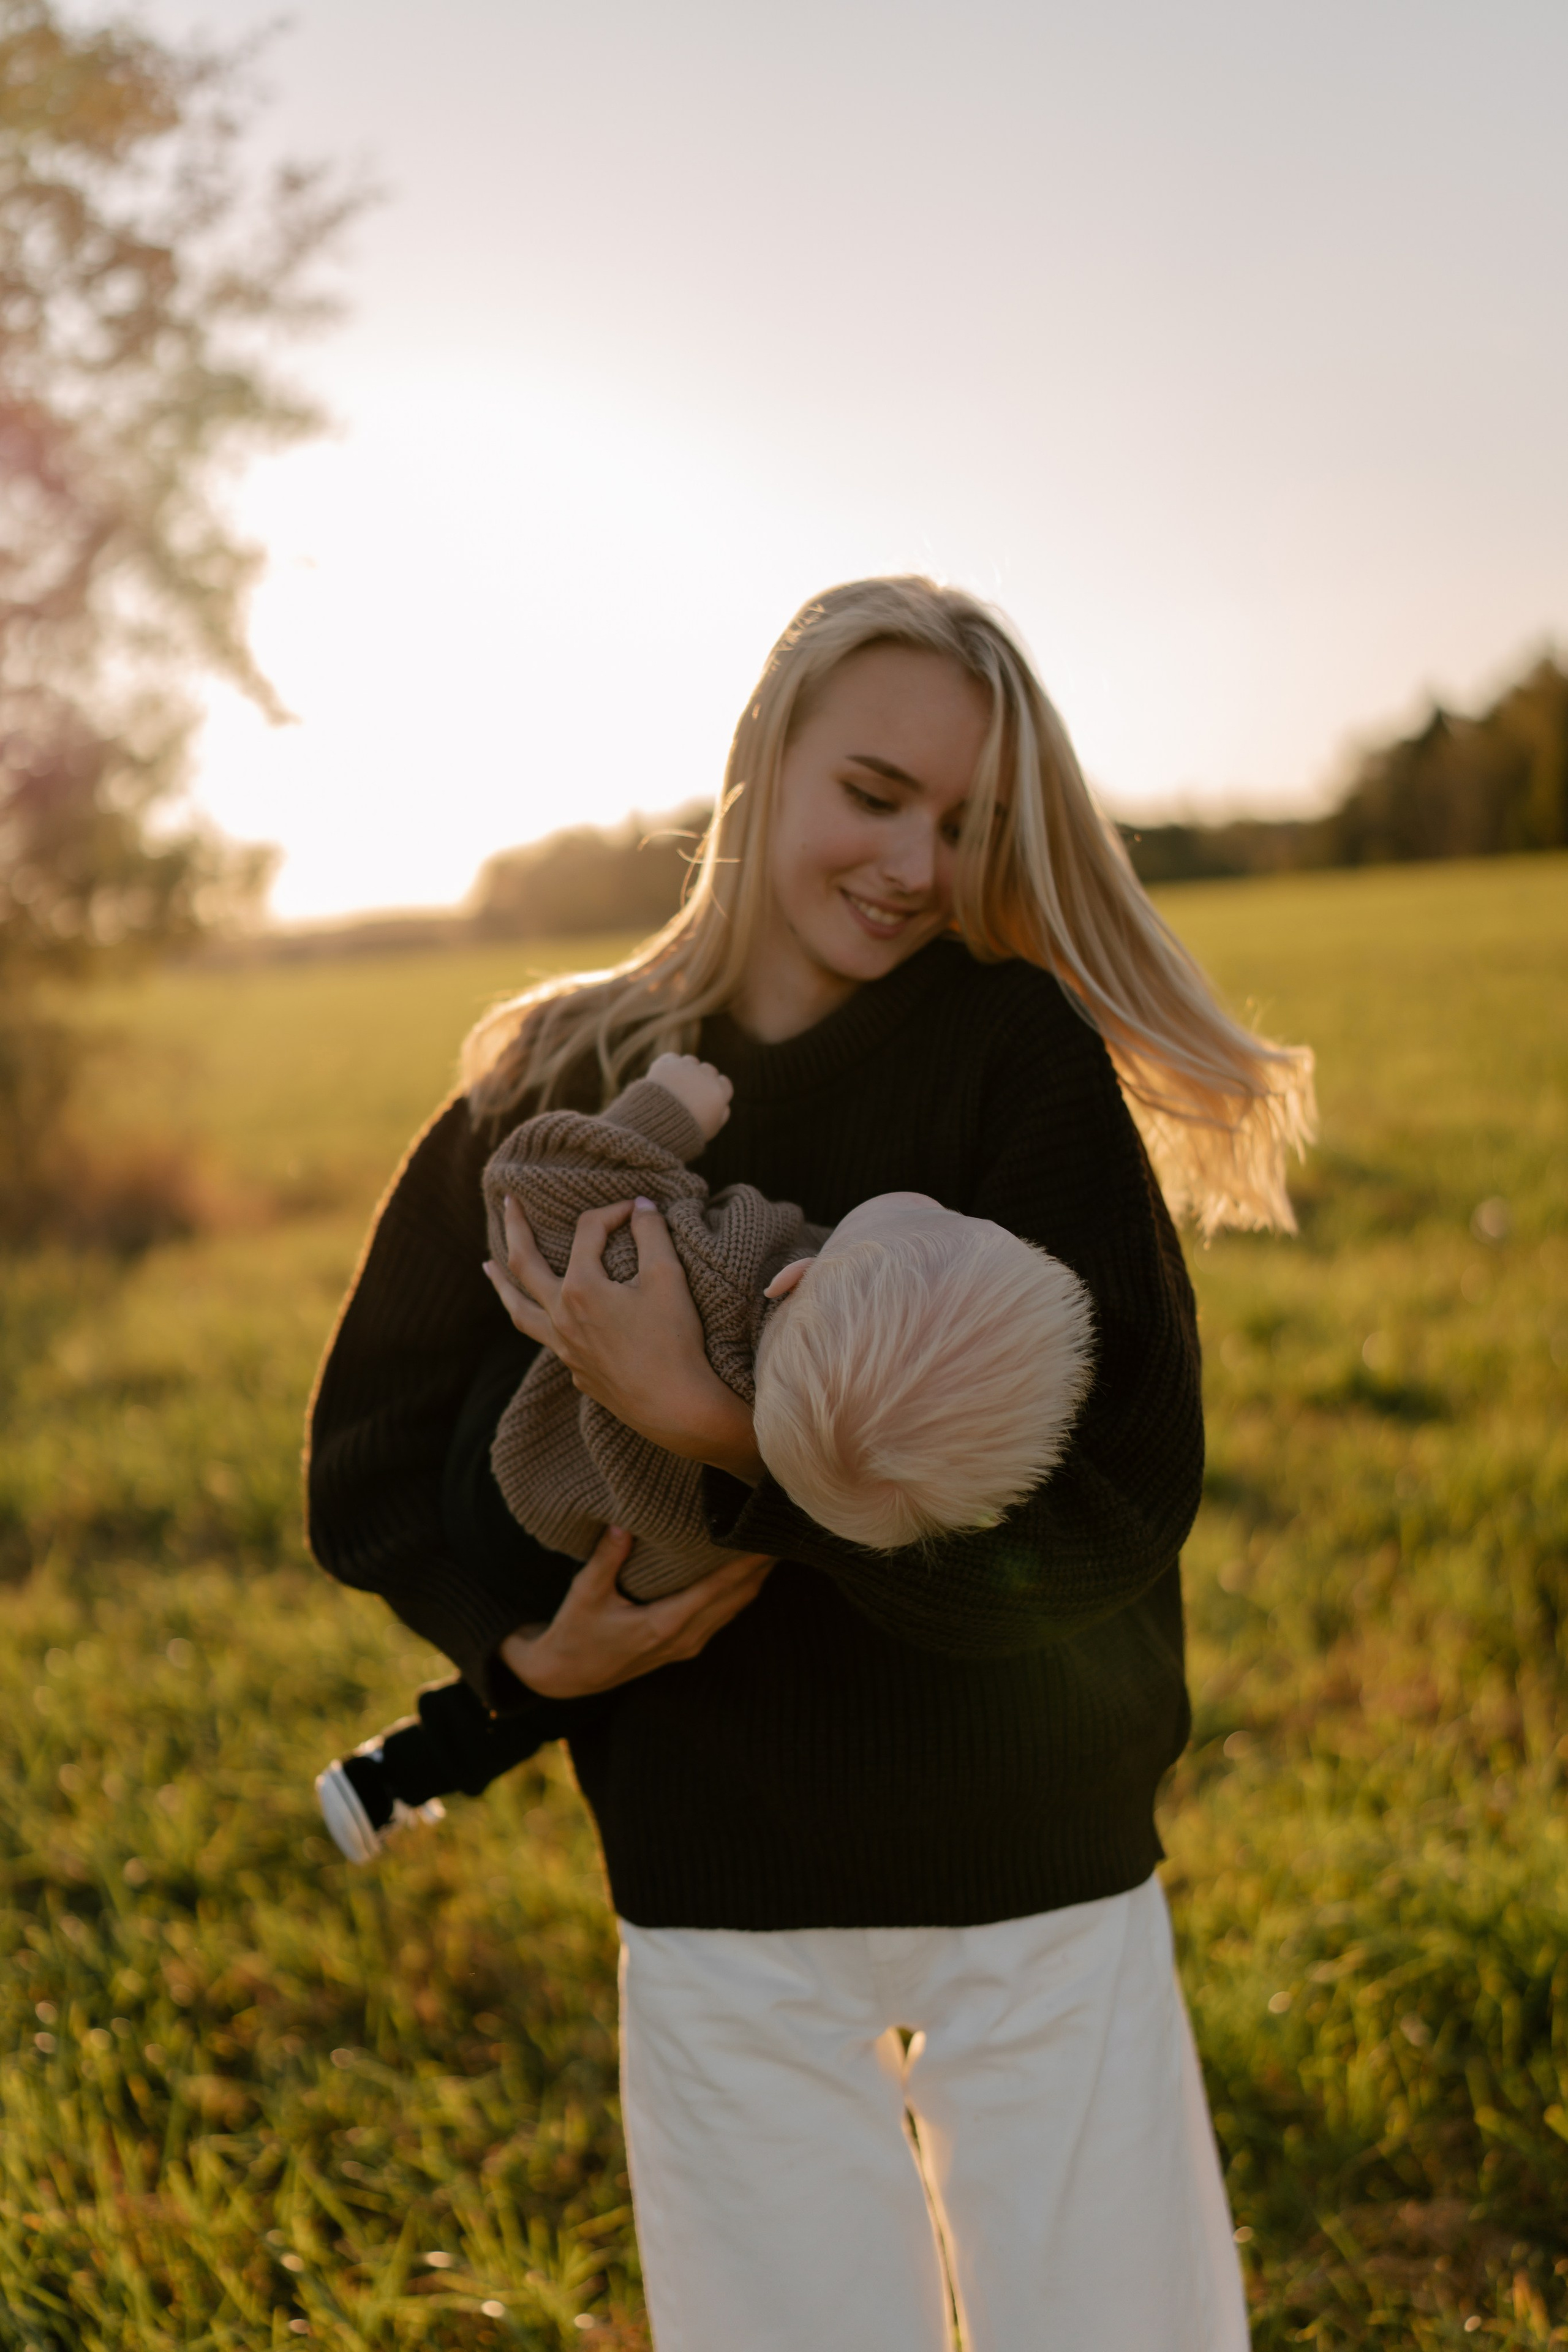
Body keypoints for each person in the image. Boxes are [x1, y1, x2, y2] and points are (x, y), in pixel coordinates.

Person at [306, 575, 1314, 2350]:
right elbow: (370, 1466)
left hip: (1041, 1887)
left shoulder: (1018, 1056)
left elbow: (1115, 1511)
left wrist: (719, 1428)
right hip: (723, 1898)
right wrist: (534, 1667)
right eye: (875, 794)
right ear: (764, 757)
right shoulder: (565, 1075)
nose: (917, 864)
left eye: (968, 825)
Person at [314, 1046, 1095, 1863]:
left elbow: (530, 1182)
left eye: (936, 1222)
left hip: (509, 1489)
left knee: (550, 1333)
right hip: (627, 1566)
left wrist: (666, 1115)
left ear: (792, 1280)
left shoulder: (714, 1269)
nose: (950, 1210)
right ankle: (399, 1774)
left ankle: (401, 1772)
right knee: (641, 1646)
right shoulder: (821, 1475)